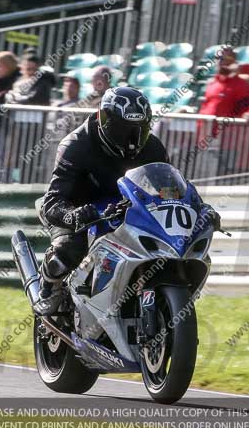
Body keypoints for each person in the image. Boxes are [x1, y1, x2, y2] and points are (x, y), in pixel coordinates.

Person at [34, 87, 220, 315]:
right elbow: (52, 201)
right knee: (68, 249)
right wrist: (74, 215)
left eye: (139, 130)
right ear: (104, 120)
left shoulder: (152, 146)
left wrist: (199, 208)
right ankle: (48, 289)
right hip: (81, 209)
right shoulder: (76, 145)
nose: (131, 140)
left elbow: (170, 188)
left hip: (127, 208)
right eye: (123, 130)